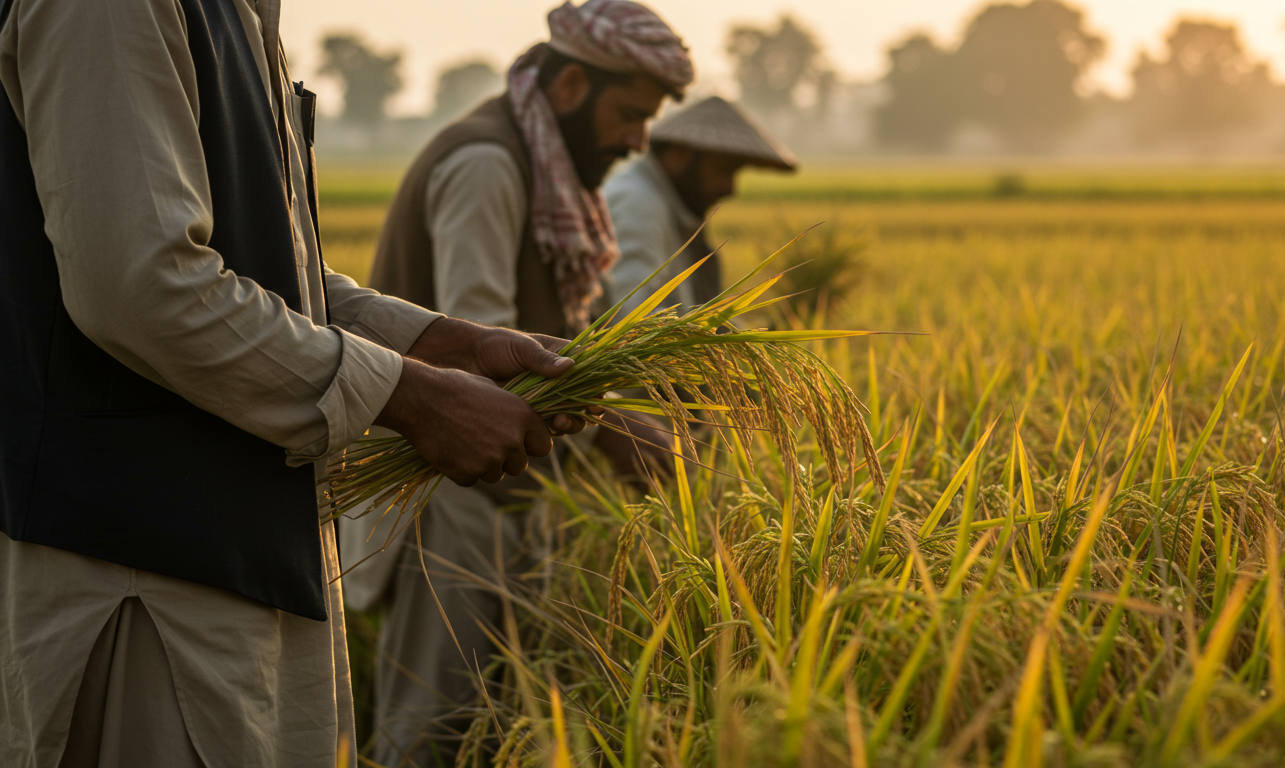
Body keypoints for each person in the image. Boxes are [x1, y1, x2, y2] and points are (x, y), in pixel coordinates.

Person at [0, 0, 586, 766]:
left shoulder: (240, 13)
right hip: (144, 581)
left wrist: (450, 346)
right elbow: (143, 286)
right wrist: (413, 397)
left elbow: (272, 277)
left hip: (249, 563)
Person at [347, 2, 692, 765]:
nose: (640, 140)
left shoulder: (555, 173)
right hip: (446, 500)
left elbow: (575, 332)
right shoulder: (487, 165)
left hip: (503, 494)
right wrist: (612, 429)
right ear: (570, 86)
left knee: (498, 724)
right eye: (631, 115)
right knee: (432, 731)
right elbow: (481, 363)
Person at [604, 96, 797, 313]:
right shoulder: (639, 203)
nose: (730, 188)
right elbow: (630, 315)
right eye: (724, 169)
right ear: (680, 153)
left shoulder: (668, 207)